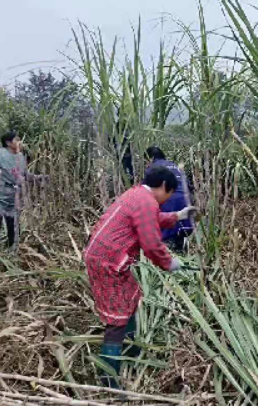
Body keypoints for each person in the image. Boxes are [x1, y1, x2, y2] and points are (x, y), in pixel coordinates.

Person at [84, 166, 196, 389]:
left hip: (106, 257)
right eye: (169, 194)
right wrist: (170, 262)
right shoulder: (146, 201)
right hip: (108, 263)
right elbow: (152, 244)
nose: (167, 199)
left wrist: (177, 216)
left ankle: (130, 351)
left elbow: (150, 219)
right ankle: (109, 379)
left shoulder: (137, 194)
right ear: (164, 186)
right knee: (116, 319)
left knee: (131, 298)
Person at [0, 131, 42, 253]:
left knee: (14, 227)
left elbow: (23, 175)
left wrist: (37, 178)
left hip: (13, 198)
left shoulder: (20, 157)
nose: (19, 142)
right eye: (16, 140)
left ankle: (11, 253)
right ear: (8, 143)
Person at [143, 146, 195, 254]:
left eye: (146, 162)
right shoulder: (174, 166)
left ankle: (168, 251)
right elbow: (189, 186)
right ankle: (181, 246)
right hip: (187, 200)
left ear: (150, 159)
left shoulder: (153, 168)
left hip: (170, 202)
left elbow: (144, 192)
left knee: (166, 237)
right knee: (181, 230)